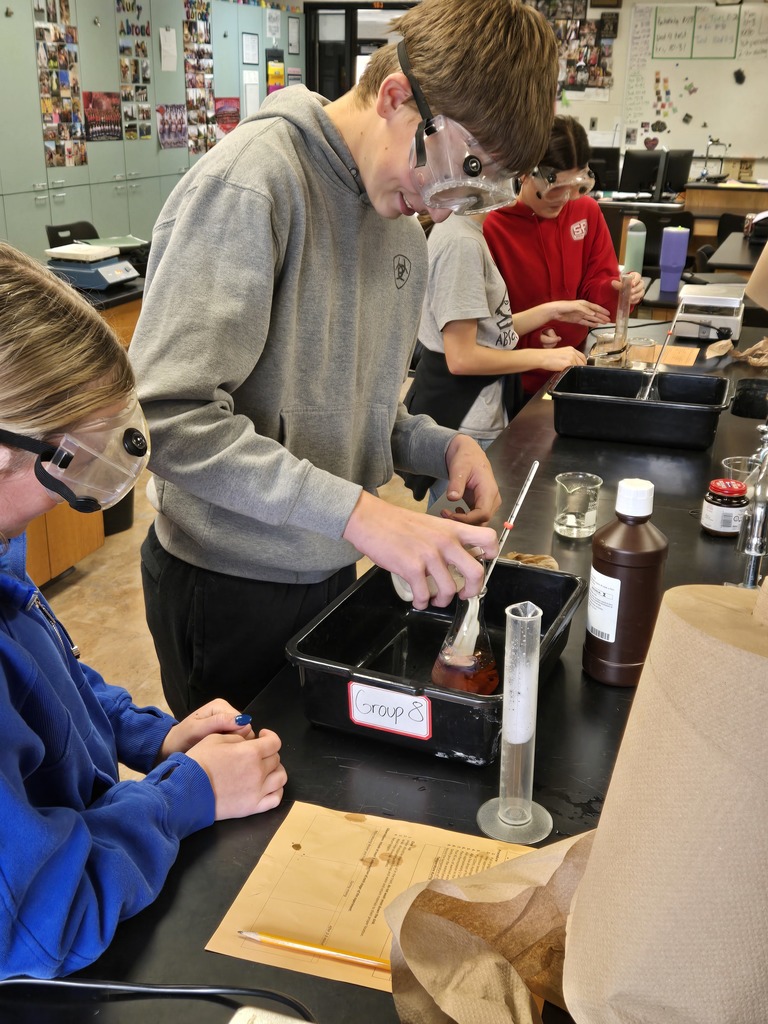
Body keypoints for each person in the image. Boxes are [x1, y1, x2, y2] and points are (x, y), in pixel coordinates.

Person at [128, 0, 560, 720]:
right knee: (250, 815)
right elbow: (166, 421)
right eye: (457, 170)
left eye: (475, 188)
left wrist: (442, 444)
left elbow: (363, 409)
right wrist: (361, 514)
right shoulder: (252, 186)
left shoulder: (401, 232)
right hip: (227, 584)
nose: (448, 207)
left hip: (332, 560)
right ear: (397, 98)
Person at [0, 243, 286, 980]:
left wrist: (151, 739)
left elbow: (47, 669)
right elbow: (40, 919)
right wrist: (185, 795)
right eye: (76, 455)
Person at [405, 209, 599, 502]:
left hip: (474, 412)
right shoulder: (462, 243)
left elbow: (489, 331)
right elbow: (462, 358)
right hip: (466, 417)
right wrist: (542, 358)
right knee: (467, 535)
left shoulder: (467, 233)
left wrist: (553, 310)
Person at [484, 115, 646, 399]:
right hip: (508, 384)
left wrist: (620, 291)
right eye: (555, 187)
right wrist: (532, 341)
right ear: (523, 172)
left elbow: (596, 287)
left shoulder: (586, 211)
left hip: (574, 370)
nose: (565, 197)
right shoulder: (492, 226)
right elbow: (481, 327)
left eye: (576, 185)